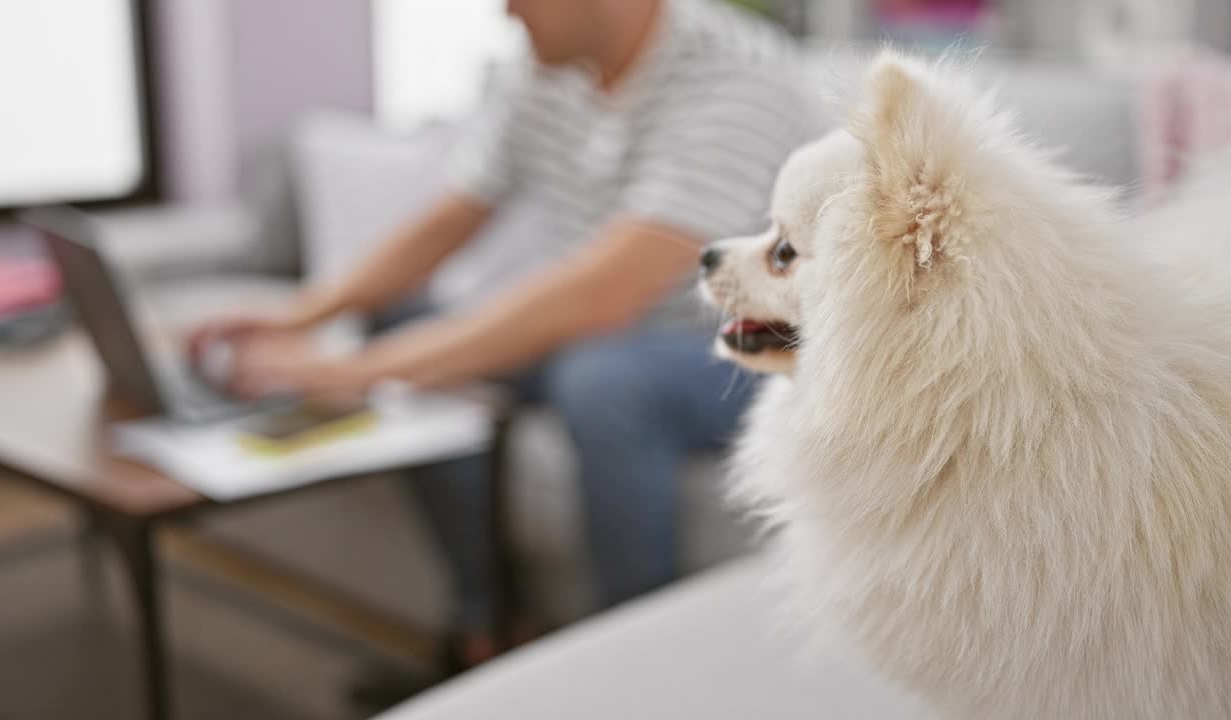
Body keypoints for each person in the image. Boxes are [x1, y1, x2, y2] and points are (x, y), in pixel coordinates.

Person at [189, 0, 822, 666]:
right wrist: (305, 312)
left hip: (748, 347)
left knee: (606, 382)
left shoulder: (738, 81)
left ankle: (634, 670)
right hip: (602, 333)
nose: (505, 11)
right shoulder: (545, 70)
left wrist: (355, 372)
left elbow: (604, 293)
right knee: (404, 321)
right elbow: (452, 217)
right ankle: (487, 624)